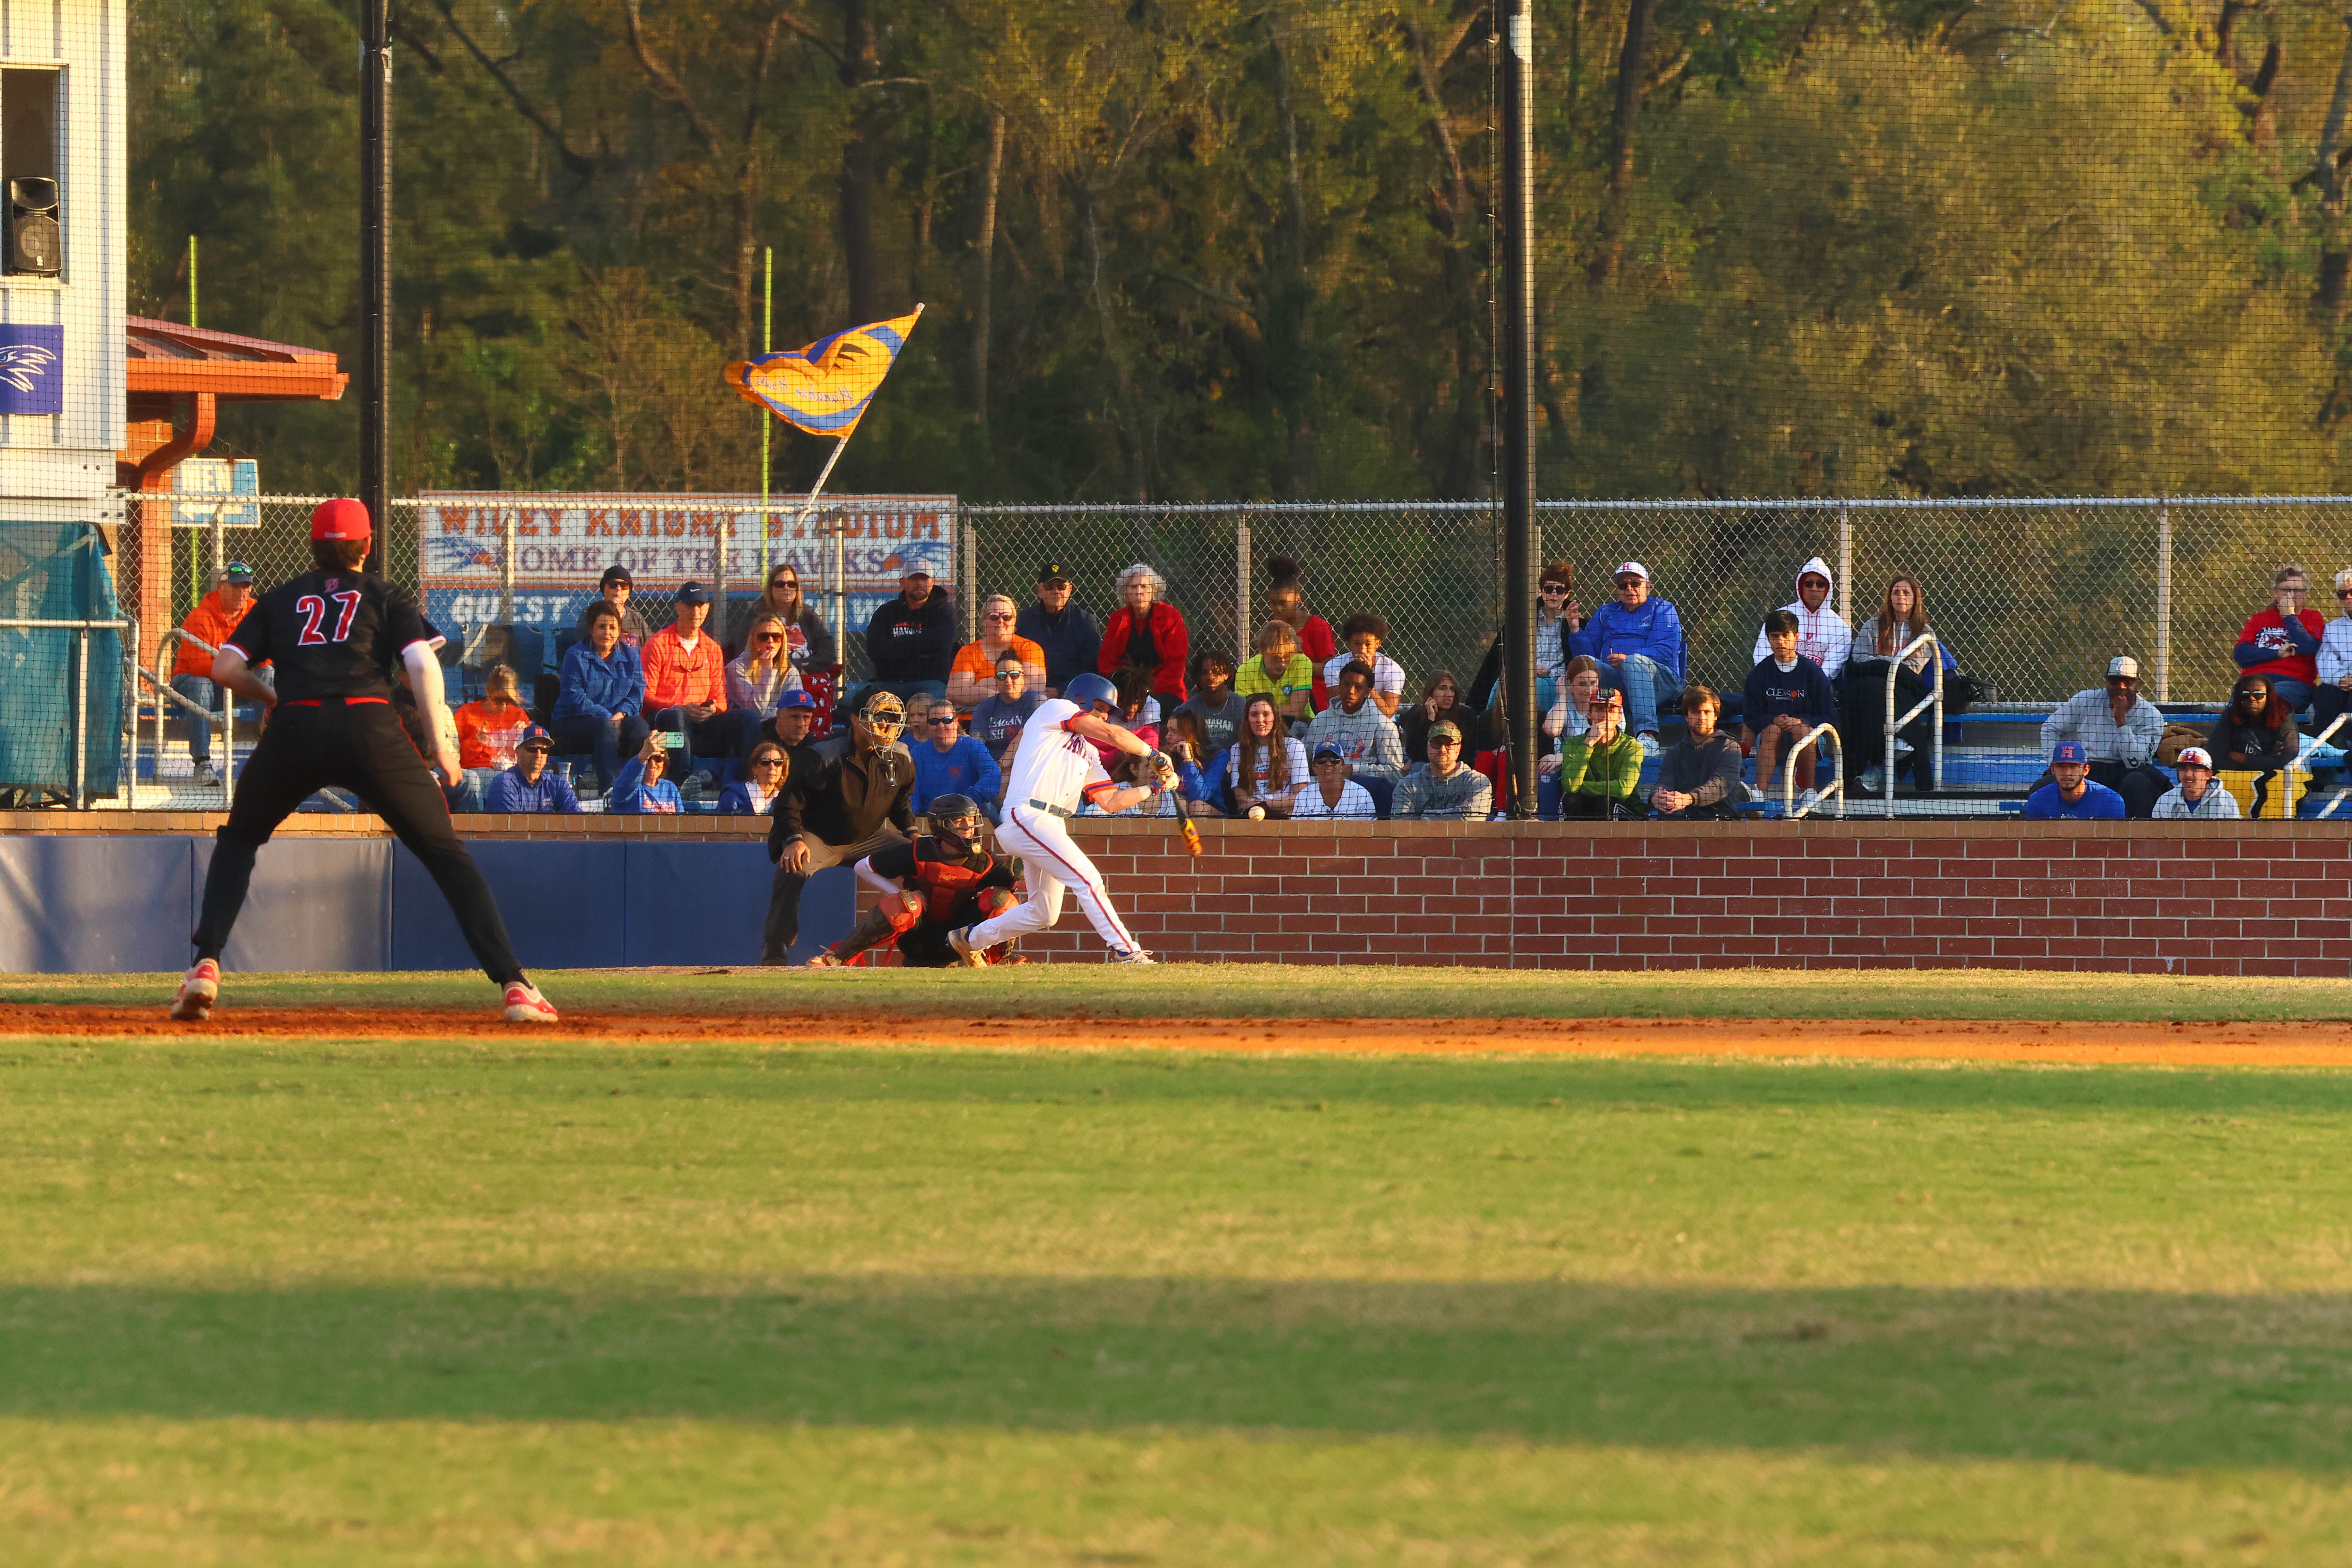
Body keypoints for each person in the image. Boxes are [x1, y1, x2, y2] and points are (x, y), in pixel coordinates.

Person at [170, 498, 555, 1025]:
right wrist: (442, 746)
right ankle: (515, 985)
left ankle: (205, 966)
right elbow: (420, 661)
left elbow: (224, 665)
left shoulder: (282, 597)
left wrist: (271, 698)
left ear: (312, 546)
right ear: (367, 546)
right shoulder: (385, 593)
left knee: (239, 839)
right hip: (369, 727)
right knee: (446, 855)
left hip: (297, 728)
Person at [947, 671, 1176, 966]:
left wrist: (1153, 787)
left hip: (1052, 824)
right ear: (1082, 698)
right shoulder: (1056, 709)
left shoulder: (1088, 752)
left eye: (1107, 713)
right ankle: (1126, 951)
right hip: (1027, 814)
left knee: (1044, 912)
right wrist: (1154, 753)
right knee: (1088, 879)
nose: (1104, 718)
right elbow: (1114, 736)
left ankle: (969, 939)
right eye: (1101, 709)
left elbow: (1111, 802)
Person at [761, 690, 917, 964]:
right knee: (793, 866)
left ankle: (925, 945)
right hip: (819, 837)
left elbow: (901, 802)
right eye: (879, 717)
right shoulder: (822, 755)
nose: (887, 724)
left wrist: (912, 833)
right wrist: (794, 839)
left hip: (870, 838)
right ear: (856, 720)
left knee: (924, 860)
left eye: (892, 718)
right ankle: (776, 946)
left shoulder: (901, 757)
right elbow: (788, 802)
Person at [807, 795, 1021, 967]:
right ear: (942, 826)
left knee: (1002, 900)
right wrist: (895, 893)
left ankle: (1001, 960)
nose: (969, 828)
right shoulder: (919, 852)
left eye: (972, 821)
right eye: (960, 821)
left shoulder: (984, 861)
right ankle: (838, 957)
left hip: (959, 938)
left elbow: (1017, 888)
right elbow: (862, 867)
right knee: (904, 903)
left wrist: (1027, 866)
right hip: (917, 939)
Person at [1845, 572, 1951, 793]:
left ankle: (1871, 773)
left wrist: (1881, 663)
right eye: (1896, 592)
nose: (1900, 597)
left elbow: (1912, 669)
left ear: (1915, 599)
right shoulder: (1873, 625)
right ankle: (1893, 745)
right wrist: (1892, 664)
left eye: (1906, 593)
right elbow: (1858, 658)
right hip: (1870, 689)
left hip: (1904, 690)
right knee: (1871, 691)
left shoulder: (1925, 632)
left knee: (1879, 692)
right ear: (1889, 598)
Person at [2037, 655, 2169, 818]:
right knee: (2045, 784)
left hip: (2126, 770)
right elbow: (2050, 728)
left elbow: (2135, 762)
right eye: (2115, 682)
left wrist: (2121, 721)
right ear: (2107, 682)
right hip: (2087, 768)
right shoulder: (2086, 700)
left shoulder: (2151, 715)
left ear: (2138, 684)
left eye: (2127, 682)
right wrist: (2054, 763)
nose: (2121, 688)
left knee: (2138, 783)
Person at [1575, 561, 1685, 751]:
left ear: (1648, 586)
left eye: (1635, 583)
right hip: (1618, 686)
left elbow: (1667, 650)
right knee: (1587, 666)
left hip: (1660, 683)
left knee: (1634, 662)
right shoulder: (1606, 612)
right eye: (1623, 585)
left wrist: (1628, 658)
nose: (1629, 589)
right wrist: (1575, 628)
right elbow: (1588, 653)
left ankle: (1647, 735)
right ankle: (1581, 731)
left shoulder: (1663, 609)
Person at [170, 559, 259, 786]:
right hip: (190, 685)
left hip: (232, 683)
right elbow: (199, 665)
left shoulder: (255, 613)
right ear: (221, 587)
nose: (242, 592)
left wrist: (238, 670)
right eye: (236, 586)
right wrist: (238, 668)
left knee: (268, 673)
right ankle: (203, 764)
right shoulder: (200, 616)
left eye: (246, 587)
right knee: (202, 685)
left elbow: (268, 656)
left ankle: (270, 754)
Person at [1743, 610, 1837, 812]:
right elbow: (1751, 715)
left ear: (1796, 637)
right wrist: (1773, 720)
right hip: (1771, 737)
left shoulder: (1813, 672)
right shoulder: (1759, 674)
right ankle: (1759, 794)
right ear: (1768, 639)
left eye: (1786, 636)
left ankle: (1811, 792)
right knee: (1771, 731)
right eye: (1775, 636)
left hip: (1808, 736)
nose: (1781, 641)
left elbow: (1829, 716)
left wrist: (1800, 721)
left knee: (1802, 731)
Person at [551, 601, 649, 792]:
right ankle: (610, 791)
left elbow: (638, 693)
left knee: (640, 727)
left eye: (613, 627)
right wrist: (608, 717)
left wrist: (622, 714)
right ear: (591, 629)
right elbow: (574, 698)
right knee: (605, 727)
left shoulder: (631, 655)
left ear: (620, 630)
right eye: (602, 627)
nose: (608, 633)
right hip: (573, 722)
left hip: (616, 720)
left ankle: (635, 786)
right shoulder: (575, 655)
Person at [643, 582, 747, 763]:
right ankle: (684, 776)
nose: (696, 612)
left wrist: (713, 709)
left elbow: (721, 699)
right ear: (678, 608)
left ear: (707, 608)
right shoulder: (657, 644)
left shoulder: (713, 649)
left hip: (702, 725)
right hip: (667, 728)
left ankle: (749, 777)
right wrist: (678, 707)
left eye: (701, 606)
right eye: (690, 606)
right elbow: (645, 697)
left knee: (747, 718)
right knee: (676, 717)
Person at [858, 563, 957, 709]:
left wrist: (895, 646)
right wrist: (923, 648)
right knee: (854, 702)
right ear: (902, 582)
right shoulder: (887, 612)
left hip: (930, 681)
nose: (920, 584)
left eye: (924, 579)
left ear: (932, 582)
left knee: (928, 709)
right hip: (889, 683)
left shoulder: (944, 612)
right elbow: (875, 651)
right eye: (914, 579)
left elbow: (942, 645)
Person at [2208, 672, 2301, 816]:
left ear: (2268, 697)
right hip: (2237, 775)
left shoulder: (2283, 713)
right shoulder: (2230, 715)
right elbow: (2216, 755)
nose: (2252, 699)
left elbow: (2286, 757)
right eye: (2246, 695)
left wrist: (2242, 758)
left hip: (2273, 778)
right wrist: (2266, 759)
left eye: (2258, 695)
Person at [2233, 564, 2322, 714]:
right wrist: (2277, 654)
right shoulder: (2260, 619)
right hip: (2254, 681)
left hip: (2293, 683)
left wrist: (2289, 617)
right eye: (2286, 590)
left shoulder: (2313, 618)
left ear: (2305, 594)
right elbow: (2241, 654)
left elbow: (2308, 648)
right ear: (2275, 593)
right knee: (2237, 709)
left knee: (2272, 702)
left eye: (2298, 591)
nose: (2292, 595)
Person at [1650, 684, 1745, 820]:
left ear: (1716, 716)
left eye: (1707, 712)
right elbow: (1665, 781)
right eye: (1696, 712)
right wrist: (1657, 796)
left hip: (1720, 819)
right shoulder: (1674, 752)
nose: (1702, 718)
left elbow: (1719, 786)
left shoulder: (1730, 747)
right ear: (1687, 717)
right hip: (1680, 818)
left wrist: (1689, 799)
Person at [1097, 563, 1188, 703]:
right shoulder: (1117, 620)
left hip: (1164, 690)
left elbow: (1176, 665)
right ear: (1126, 591)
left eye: (1144, 587)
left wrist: (1147, 690)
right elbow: (1106, 662)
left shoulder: (1171, 617)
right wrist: (1125, 687)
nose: (1139, 592)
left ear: (1154, 591)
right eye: (1133, 587)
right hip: (1125, 690)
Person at [1749, 556, 1852, 679]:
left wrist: (1805, 684)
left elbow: (1831, 669)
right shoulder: (1780, 617)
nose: (1815, 589)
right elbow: (1762, 655)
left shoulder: (1840, 628)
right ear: (1801, 586)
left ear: (1828, 588)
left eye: (1821, 584)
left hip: (1814, 689)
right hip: (1778, 682)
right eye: (1809, 584)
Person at [1303, 660, 1406, 783]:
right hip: (1319, 789)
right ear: (1339, 686)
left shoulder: (1383, 725)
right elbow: (1303, 762)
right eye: (1346, 685)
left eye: (1358, 687)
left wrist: (1354, 770)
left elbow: (1395, 773)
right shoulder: (1321, 720)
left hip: (1362, 790)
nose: (1351, 691)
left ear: (1368, 692)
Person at [451, 662, 534, 812]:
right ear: (488, 693)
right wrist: (476, 742)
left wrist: (525, 737)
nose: (503, 706)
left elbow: (530, 756)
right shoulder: (466, 713)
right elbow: (456, 758)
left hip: (511, 772)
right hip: (477, 773)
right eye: (498, 701)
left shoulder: (519, 715)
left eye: (508, 701)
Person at [1553, 689, 1644, 819]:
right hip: (1584, 806)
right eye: (1600, 709)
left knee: (1604, 803)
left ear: (1619, 717)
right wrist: (1588, 744)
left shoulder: (1632, 747)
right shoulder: (1574, 744)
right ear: (1589, 714)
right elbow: (1571, 786)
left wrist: (1583, 787)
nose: (1605, 715)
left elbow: (1624, 789)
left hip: (1625, 808)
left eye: (1611, 710)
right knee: (1571, 800)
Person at [1015, 562, 1102, 698]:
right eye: (1050, 587)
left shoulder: (1086, 622)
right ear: (1040, 590)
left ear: (1070, 590)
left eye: (1061, 587)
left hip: (1074, 695)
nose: (1056, 591)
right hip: (1030, 694)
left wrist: (1059, 690)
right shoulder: (1024, 620)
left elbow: (1092, 669)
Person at [731, 561, 835, 672]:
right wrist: (795, 667)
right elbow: (747, 652)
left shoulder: (808, 615)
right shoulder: (757, 614)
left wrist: (807, 667)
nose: (787, 588)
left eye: (791, 584)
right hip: (771, 675)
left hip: (807, 675)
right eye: (780, 584)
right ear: (771, 589)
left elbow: (828, 652)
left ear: (797, 589)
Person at [1266, 554, 1339, 710]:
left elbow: (1330, 668)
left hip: (1312, 697)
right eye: (1273, 603)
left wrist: (1293, 664)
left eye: (1284, 604)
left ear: (1298, 599)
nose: (1277, 609)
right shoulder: (1273, 628)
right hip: (1279, 693)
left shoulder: (1316, 626)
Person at [947, 594, 1047, 708]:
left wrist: (982, 684)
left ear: (1014, 621)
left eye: (1007, 617)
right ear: (985, 621)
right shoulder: (969, 652)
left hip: (1019, 713)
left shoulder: (1030, 648)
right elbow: (954, 692)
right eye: (994, 617)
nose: (1001, 621)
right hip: (974, 715)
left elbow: (1036, 687)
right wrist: (995, 694)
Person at [911, 699, 1003, 818]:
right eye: (934, 722)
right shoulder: (917, 754)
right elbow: (911, 793)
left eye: (947, 720)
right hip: (930, 817)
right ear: (929, 725)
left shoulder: (973, 747)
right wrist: (915, 819)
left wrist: (967, 800)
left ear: (956, 722)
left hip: (969, 814)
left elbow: (993, 775)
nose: (941, 726)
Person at [1224, 693, 1309, 820]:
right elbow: (1241, 797)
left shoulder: (1295, 747)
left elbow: (1301, 796)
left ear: (1275, 717)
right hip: (1252, 816)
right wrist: (1258, 807)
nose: (1260, 720)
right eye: (1254, 715)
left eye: (1266, 714)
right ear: (1247, 720)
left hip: (1287, 817)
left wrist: (1263, 805)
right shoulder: (1238, 749)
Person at [725, 613, 804, 745]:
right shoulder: (737, 667)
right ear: (755, 641)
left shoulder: (790, 672)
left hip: (778, 727)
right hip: (743, 730)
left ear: (783, 641)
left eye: (776, 637)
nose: (770, 641)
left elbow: (794, 710)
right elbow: (755, 711)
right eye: (764, 637)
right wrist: (768, 671)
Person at [1392, 721, 1493, 819]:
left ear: (1459, 748)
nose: (1443, 750)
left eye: (1449, 745)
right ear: (1428, 746)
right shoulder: (1407, 785)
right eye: (1437, 744)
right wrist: (1459, 812)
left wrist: (1422, 816)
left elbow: (1473, 820)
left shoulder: (1478, 782)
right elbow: (1402, 827)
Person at [969, 656, 1043, 784]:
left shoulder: (1037, 701)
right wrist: (987, 770)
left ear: (1023, 677)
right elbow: (977, 743)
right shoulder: (985, 706)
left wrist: (999, 768)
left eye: (1014, 675)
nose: (1008, 680)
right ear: (996, 680)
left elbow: (1025, 737)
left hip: (1026, 765)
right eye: (1002, 675)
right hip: (990, 768)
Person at [483, 724, 582, 813]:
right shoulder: (505, 783)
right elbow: (511, 828)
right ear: (518, 752)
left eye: (544, 750)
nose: (538, 755)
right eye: (532, 749)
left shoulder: (558, 784)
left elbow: (577, 819)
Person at [1321, 615, 1406, 718]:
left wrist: (1367, 675)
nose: (1363, 650)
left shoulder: (1393, 670)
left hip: (1378, 723)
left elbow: (1387, 713)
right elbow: (1337, 706)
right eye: (1357, 644)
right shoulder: (1333, 666)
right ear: (1350, 644)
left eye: (1368, 645)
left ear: (1378, 644)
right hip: (1342, 720)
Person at [1235, 619, 1316, 721]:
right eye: (1276, 658)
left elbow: (1296, 713)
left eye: (1287, 657)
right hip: (1259, 724)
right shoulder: (1245, 671)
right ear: (1263, 651)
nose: (1282, 664)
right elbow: (1245, 712)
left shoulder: (1302, 663)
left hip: (1299, 724)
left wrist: (1261, 709)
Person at [2023, 740, 2125, 819]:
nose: (2067, 773)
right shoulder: (2038, 801)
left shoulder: (2112, 802)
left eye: (2074, 767)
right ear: (2052, 770)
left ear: (2086, 770)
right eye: (2061, 767)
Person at [1534, 562, 1584, 714]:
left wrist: (1574, 627)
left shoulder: (1575, 622)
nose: (1554, 595)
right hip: (1528, 677)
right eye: (1549, 589)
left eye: (1560, 590)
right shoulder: (1526, 620)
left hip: (1560, 681)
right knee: (1501, 686)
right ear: (1542, 591)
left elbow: (1583, 657)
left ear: (1567, 594)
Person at [1401, 669, 1475, 771]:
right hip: (1427, 769)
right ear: (1431, 693)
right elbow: (1416, 754)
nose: (1449, 694)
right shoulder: (1417, 714)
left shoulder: (1466, 715)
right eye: (1443, 689)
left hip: (1457, 769)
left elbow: (1468, 754)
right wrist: (1430, 720)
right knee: (1417, 767)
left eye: (1452, 689)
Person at [2152, 745, 2242, 819]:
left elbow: (2232, 838)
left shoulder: (2226, 800)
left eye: (2196, 769)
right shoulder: (2165, 801)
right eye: (2183, 768)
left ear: (2208, 774)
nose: (2188, 774)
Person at [579, 563, 654, 650]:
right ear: (604, 589)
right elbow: (583, 646)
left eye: (624, 586)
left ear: (629, 592)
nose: (619, 589)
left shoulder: (636, 618)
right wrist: (613, 614)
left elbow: (652, 647)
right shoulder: (590, 613)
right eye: (613, 585)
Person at [1291, 745, 1378, 819]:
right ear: (1314, 767)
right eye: (1322, 760)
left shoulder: (1361, 794)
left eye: (1334, 759)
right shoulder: (1303, 797)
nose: (1328, 764)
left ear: (1343, 766)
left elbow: (1371, 831)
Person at [608, 731, 685, 813]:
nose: (652, 764)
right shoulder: (628, 787)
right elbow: (624, 787)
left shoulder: (670, 788)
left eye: (658, 758)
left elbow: (681, 820)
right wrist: (644, 755)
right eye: (648, 759)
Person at [2315, 567, 2352, 737]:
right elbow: (2326, 659)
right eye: (2343, 594)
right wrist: (2340, 679)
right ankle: (2324, 750)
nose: (2349, 597)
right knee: (2325, 694)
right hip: (2341, 685)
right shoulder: (2332, 628)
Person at [718, 740, 793, 816]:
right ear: (754, 769)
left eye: (778, 763)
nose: (772, 767)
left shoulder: (788, 798)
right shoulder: (733, 796)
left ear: (783, 770)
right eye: (765, 762)